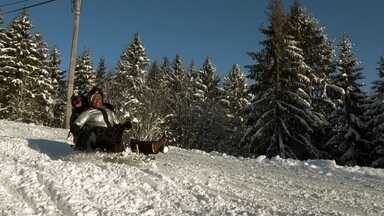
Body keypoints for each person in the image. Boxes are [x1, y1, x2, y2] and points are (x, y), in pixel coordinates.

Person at [72, 87, 131, 152]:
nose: (97, 100)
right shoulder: (88, 112)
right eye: (95, 98)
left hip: (111, 136)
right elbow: (76, 125)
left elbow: (117, 125)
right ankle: (93, 151)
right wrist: (77, 135)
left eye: (99, 98)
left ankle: (131, 149)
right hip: (97, 137)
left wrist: (124, 126)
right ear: (91, 100)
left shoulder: (109, 111)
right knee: (95, 132)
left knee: (123, 134)